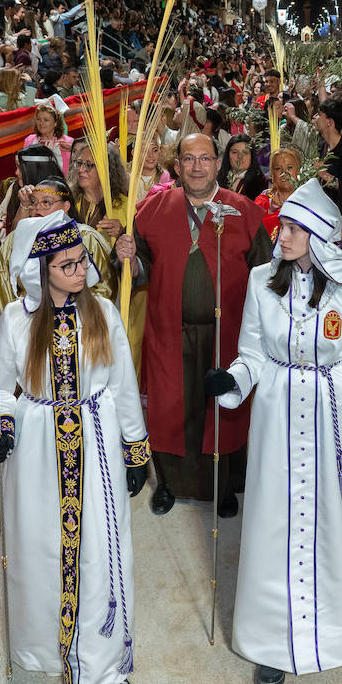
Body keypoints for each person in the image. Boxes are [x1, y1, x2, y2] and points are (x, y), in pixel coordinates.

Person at [206, 179, 342, 684]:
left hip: (332, 416)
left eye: (290, 228)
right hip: (277, 416)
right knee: (276, 526)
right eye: (281, 227)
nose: (280, 236)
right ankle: (272, 640)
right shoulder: (260, 281)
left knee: (331, 524)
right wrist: (232, 382)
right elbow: (252, 355)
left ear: (314, 233)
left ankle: (330, 626)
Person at [0, 211, 149, 684]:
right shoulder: (15, 321)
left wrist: (135, 449)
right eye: (67, 265)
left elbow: (122, 387)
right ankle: (50, 650)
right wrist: (0, 428)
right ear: (40, 269)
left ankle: (109, 664)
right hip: (35, 453)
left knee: (102, 552)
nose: (80, 271)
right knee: (40, 548)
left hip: (95, 446)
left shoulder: (103, 314)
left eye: (81, 262)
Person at [123, 131, 271, 515]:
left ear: (219, 163)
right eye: (189, 159)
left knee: (223, 408)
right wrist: (127, 257)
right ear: (177, 166)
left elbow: (266, 275)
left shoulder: (244, 211)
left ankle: (224, 488)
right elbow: (141, 268)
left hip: (229, 334)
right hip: (170, 333)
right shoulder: (152, 210)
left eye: (205, 158)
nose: (197, 166)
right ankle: (169, 483)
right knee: (171, 408)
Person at [0, 178, 116, 309]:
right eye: (34, 202)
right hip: (28, 320)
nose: (38, 207)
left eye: (46, 202)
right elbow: (3, 291)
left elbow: (105, 288)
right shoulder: (14, 240)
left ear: (66, 207)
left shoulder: (85, 237)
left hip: (77, 320)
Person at [253, 146, 301, 242]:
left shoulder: (307, 204)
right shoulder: (262, 203)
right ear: (272, 174)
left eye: (289, 167)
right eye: (278, 168)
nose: (284, 172)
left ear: (299, 170)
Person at [23, 101, 73, 175]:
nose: (41, 123)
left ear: (55, 123)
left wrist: (71, 149)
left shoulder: (69, 142)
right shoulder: (29, 140)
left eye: (46, 120)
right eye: (38, 119)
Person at [218, 134, 266, 200]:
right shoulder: (217, 180)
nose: (240, 156)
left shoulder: (261, 182)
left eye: (245, 152)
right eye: (235, 152)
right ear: (228, 155)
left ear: (252, 156)